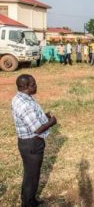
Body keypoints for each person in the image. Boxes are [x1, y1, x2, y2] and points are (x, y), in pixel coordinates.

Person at [11, 74, 57, 207]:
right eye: (33, 84)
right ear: (24, 86)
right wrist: (52, 122)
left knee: (30, 174)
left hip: (27, 143)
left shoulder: (19, 97)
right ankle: (28, 203)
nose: (36, 86)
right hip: (32, 144)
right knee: (31, 176)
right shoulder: (25, 105)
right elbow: (37, 129)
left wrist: (43, 116)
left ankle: (30, 200)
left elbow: (31, 118)